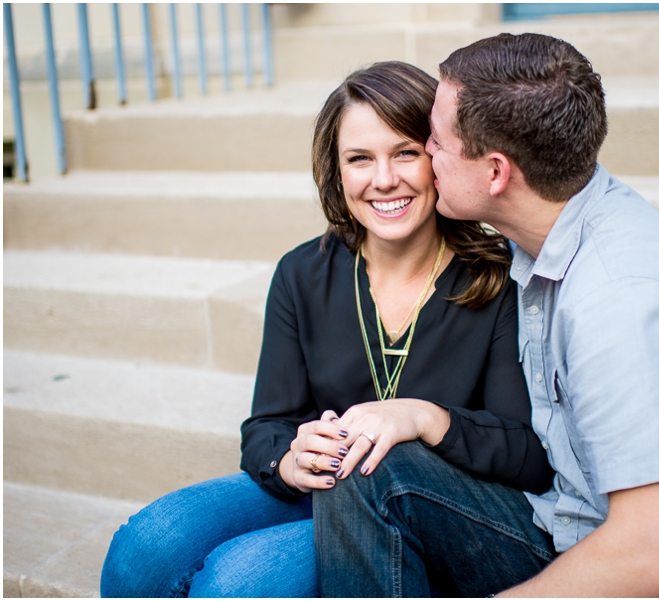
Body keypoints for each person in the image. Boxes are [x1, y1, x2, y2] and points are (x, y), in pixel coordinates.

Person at [315, 33, 659, 597]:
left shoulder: (623, 298)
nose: (424, 154)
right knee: (370, 472)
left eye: (436, 141)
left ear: (495, 172)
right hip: (566, 528)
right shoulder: (543, 241)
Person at [99, 60, 554, 598]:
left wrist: (427, 419)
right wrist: (290, 458)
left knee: (235, 583)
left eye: (405, 152)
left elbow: (528, 455)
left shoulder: (496, 278)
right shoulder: (302, 272)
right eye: (359, 158)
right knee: (146, 547)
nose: (383, 180)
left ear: (439, 157)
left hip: (428, 508)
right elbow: (267, 424)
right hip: (319, 487)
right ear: (337, 171)